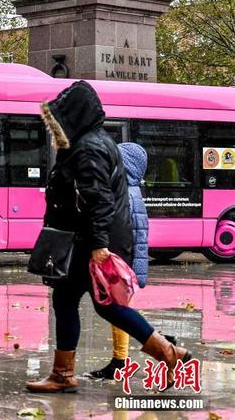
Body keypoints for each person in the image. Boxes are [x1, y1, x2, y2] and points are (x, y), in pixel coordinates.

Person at [27, 81, 190, 393]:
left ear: (75, 116)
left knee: (103, 305)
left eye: (60, 117)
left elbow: (98, 198)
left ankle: (166, 353)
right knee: (72, 300)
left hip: (89, 242)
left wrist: (99, 245)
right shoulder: (88, 143)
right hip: (85, 239)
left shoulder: (88, 148)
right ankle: (64, 373)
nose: (56, 125)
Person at [87, 142, 149, 379]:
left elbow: (138, 234)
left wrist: (134, 268)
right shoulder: (129, 191)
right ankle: (120, 359)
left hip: (119, 259)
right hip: (121, 259)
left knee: (118, 309)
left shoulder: (126, 193)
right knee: (118, 310)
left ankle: (159, 348)